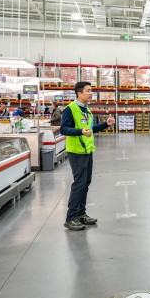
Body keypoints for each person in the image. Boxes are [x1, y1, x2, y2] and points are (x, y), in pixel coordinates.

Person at [61, 81, 115, 231]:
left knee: (85, 183)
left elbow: (90, 129)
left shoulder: (86, 110)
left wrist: (106, 124)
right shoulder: (70, 109)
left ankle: (81, 214)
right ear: (79, 93)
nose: (91, 93)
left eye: (91, 91)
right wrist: (80, 131)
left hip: (87, 151)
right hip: (76, 151)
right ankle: (71, 218)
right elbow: (63, 129)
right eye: (88, 91)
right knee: (79, 184)